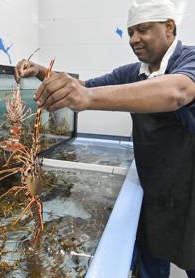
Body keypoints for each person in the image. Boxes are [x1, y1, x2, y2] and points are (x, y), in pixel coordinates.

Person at [15, 0, 195, 276]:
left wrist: (87, 98)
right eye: (130, 32)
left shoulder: (189, 60)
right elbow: (84, 86)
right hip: (155, 190)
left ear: (169, 27)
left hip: (189, 191)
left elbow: (178, 92)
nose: (134, 40)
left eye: (142, 30)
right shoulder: (132, 72)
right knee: (151, 261)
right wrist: (40, 71)